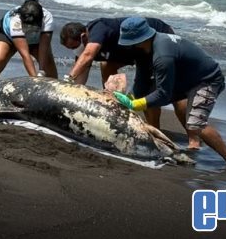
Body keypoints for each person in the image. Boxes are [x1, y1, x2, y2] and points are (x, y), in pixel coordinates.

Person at [112, 17, 226, 168]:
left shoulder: (162, 55)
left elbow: (163, 94)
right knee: (148, 97)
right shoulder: (142, 50)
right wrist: (130, 97)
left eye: (130, 42)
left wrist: (135, 104)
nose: (128, 46)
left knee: (196, 124)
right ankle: (156, 139)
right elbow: (141, 80)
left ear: (140, 39)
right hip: (184, 78)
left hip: (207, 81)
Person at [60, 17, 200, 149]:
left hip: (154, 38)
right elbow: (81, 74)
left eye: (74, 47)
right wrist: (70, 92)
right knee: (109, 67)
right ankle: (153, 129)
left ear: (84, 37)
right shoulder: (85, 49)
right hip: (134, 51)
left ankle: (193, 139)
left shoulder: (98, 29)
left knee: (175, 92)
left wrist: (67, 79)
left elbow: (88, 55)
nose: (75, 51)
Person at [0, 0, 57, 85]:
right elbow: (25, 55)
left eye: (32, 26)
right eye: (27, 26)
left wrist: (41, 71)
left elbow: (44, 48)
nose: (29, 29)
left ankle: (54, 90)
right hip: (8, 35)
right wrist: (35, 79)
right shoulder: (15, 19)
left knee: (48, 62)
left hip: (36, 39)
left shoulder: (47, 18)